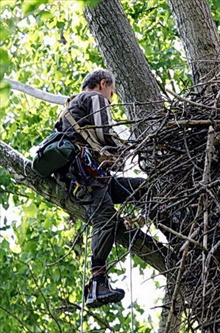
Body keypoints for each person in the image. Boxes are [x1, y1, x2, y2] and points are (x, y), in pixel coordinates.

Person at [55, 69, 145, 308]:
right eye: (112, 93)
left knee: (144, 189)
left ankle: (153, 216)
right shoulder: (94, 98)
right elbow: (105, 134)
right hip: (87, 176)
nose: (111, 99)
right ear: (103, 84)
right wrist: (135, 149)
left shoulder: (71, 106)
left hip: (85, 177)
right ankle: (98, 283)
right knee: (105, 218)